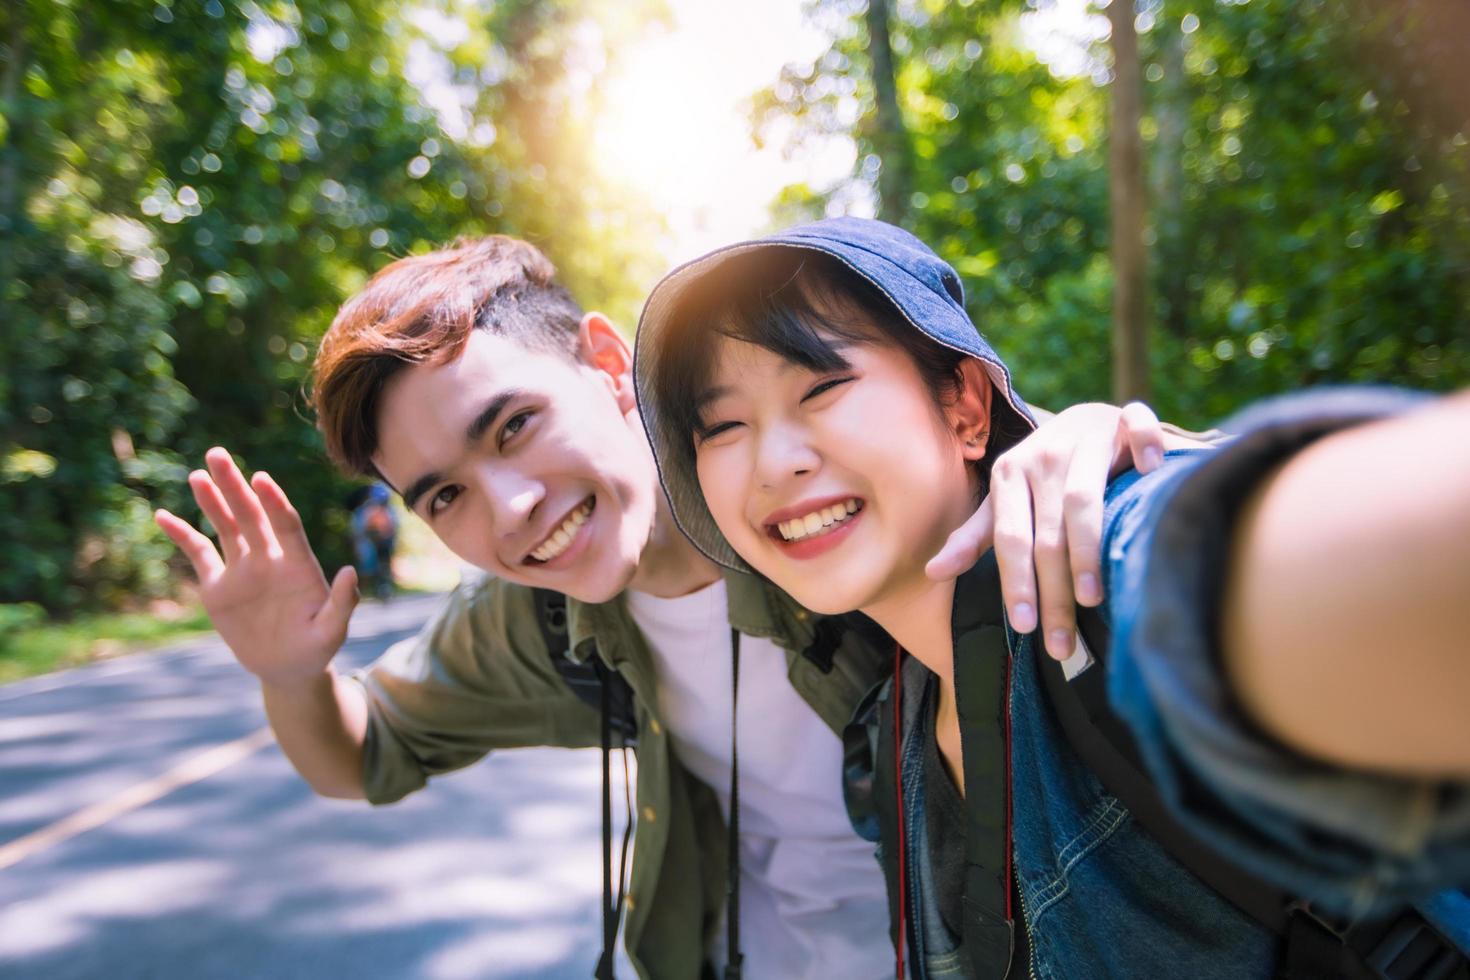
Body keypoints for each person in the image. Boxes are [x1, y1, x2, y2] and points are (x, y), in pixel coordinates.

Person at [154, 235, 1196, 979]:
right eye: (443, 495)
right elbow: (361, 750)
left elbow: (994, 477)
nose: (510, 508)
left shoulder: (815, 510)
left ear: (610, 367)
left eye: (513, 426)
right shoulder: (542, 617)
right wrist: (289, 670)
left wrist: (1078, 442)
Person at [634, 216, 1470, 978]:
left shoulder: (1105, 569)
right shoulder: (889, 735)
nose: (775, 461)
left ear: (964, 405)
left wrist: (1196, 466)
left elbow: (1325, 559)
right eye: (723, 427)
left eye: (820, 387)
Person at [348, 481, 397, 598]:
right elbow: (360, 529)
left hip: (383, 543)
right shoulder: (366, 512)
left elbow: (392, 529)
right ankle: (369, 591)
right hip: (372, 543)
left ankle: (382, 589)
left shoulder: (387, 512)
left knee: (383, 566)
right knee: (369, 568)